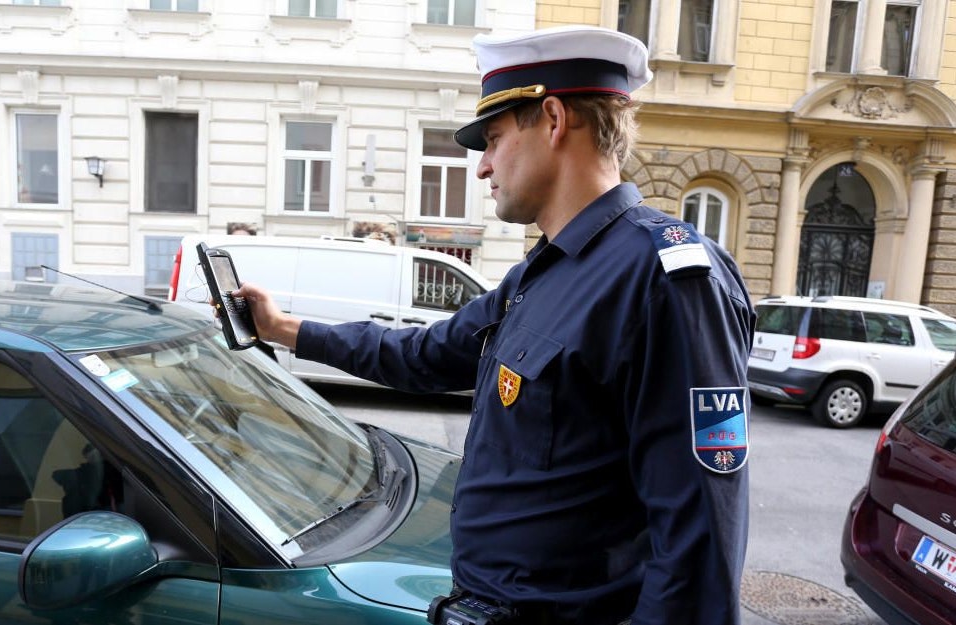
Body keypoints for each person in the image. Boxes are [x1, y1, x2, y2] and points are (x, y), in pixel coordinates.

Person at [231, 25, 755, 625]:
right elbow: (425, 355)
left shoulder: (666, 278)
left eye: (495, 139)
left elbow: (700, 538)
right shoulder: (544, 271)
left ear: (554, 119)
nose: (482, 168)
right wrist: (284, 328)